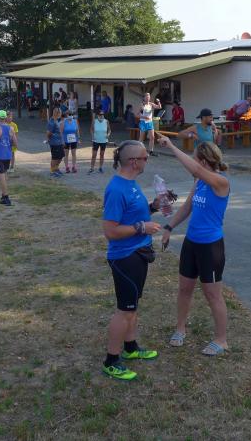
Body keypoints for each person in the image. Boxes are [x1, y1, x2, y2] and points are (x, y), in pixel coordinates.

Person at [158, 136, 230, 356]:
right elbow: (187, 207)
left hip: (211, 247)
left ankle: (221, 340)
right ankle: (180, 329)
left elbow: (196, 170)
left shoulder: (221, 183)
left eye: (195, 159)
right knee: (184, 288)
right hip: (191, 243)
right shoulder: (199, 182)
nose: (193, 162)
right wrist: (169, 227)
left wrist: (171, 146)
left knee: (212, 294)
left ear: (204, 161)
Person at [101, 140, 162, 381]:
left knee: (133, 306)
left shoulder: (131, 183)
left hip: (138, 253)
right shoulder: (117, 189)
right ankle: (111, 361)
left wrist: (153, 206)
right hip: (125, 257)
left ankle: (131, 348)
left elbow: (134, 214)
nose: (148, 160)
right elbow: (110, 231)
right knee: (124, 311)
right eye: (145, 157)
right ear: (134, 161)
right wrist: (141, 227)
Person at [0, 110, 17, 206]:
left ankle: (6, 197)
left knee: (1, 177)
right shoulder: (11, 128)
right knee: (4, 175)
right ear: (5, 118)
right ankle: (3, 195)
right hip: (8, 155)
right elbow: (15, 143)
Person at [46, 108, 65, 178]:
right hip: (54, 143)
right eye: (60, 113)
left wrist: (62, 141)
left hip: (59, 142)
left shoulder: (56, 120)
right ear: (57, 113)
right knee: (55, 157)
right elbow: (48, 133)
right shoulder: (51, 122)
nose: (61, 115)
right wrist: (49, 139)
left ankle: (56, 168)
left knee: (61, 156)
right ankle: (52, 171)